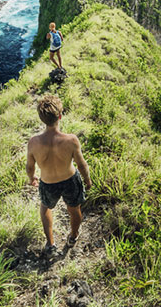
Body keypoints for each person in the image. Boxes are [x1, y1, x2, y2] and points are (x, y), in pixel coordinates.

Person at [27, 94, 92, 254]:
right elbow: (82, 164)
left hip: (48, 183)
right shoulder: (71, 140)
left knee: (45, 209)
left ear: (41, 119)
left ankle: (50, 243)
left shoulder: (33, 142)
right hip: (70, 180)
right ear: (60, 116)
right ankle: (73, 236)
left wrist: (32, 178)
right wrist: (87, 180)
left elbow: (30, 166)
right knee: (74, 209)